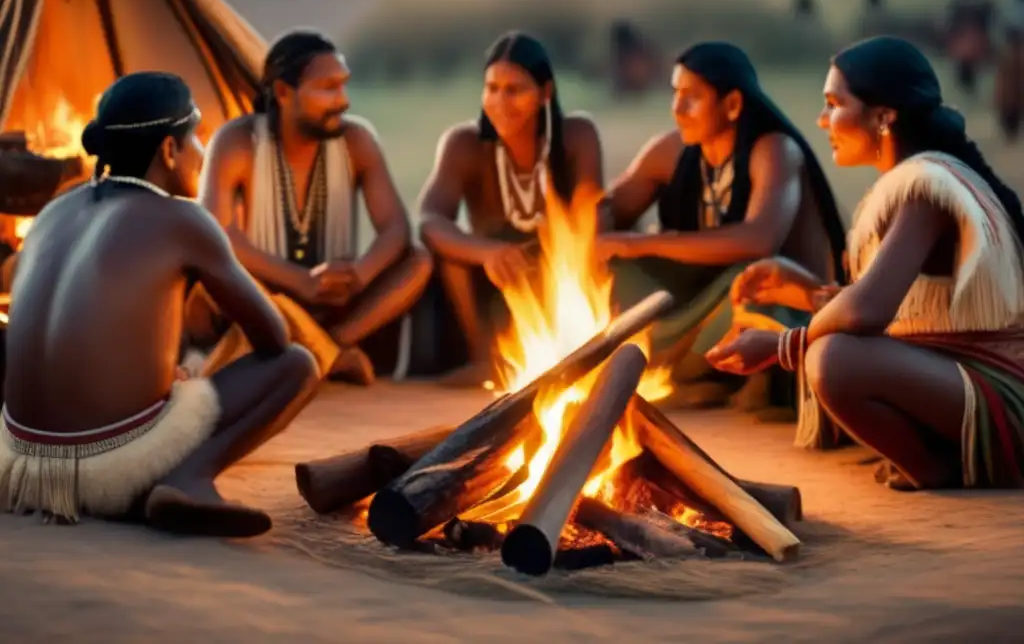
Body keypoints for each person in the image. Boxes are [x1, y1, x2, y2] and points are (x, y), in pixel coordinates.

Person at [0, 72, 319, 535]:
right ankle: (187, 479)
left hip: (18, 468)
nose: (203, 154)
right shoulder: (184, 220)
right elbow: (272, 336)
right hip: (108, 468)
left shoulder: (53, 213)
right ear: (170, 150)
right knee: (296, 364)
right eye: (198, 139)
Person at [708, 36, 1024, 489]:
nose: (822, 120)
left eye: (834, 103)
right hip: (966, 380)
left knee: (832, 360)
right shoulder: (912, 183)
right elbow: (908, 312)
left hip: (1007, 398)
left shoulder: (925, 188)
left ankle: (933, 468)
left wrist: (783, 348)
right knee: (833, 351)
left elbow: (867, 311)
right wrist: (807, 291)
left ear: (883, 117)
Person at [597, 42, 847, 412]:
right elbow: (606, 212)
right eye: (675, 94)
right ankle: (695, 378)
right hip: (700, 311)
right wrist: (589, 220)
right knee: (612, 270)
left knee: (754, 279)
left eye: (692, 97)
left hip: (781, 308)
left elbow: (759, 239)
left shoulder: (774, 150)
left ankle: (741, 382)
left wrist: (641, 243)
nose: (677, 108)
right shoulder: (670, 151)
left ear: (732, 105)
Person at [195, 30, 432, 385]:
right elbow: (215, 234)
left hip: (338, 303)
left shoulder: (357, 140)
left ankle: (329, 348)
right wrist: (300, 281)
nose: (343, 100)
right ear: (283, 92)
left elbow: (395, 227)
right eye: (328, 88)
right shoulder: (236, 143)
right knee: (201, 285)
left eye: (344, 85)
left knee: (418, 260)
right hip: (269, 297)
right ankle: (324, 357)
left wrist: (361, 275)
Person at [417, 31, 605, 386]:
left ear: (545, 92)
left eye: (514, 90)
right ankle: (481, 360)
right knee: (451, 257)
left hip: (557, 278)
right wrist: (486, 252)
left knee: (603, 256)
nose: (500, 101)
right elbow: (429, 220)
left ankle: (582, 361)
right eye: (491, 88)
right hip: (494, 284)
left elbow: (590, 214)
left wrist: (556, 252)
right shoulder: (464, 144)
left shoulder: (577, 136)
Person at [945, 0, 995, 96]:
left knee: (964, 66)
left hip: (962, 37)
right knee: (978, 68)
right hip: (978, 36)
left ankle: (967, 91)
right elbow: (990, 16)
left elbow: (950, 20)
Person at [995, 0, 1024, 141]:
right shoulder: (1008, 6)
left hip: (1010, 49)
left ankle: (1010, 124)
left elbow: (998, 29)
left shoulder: (1007, 6)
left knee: (1008, 92)